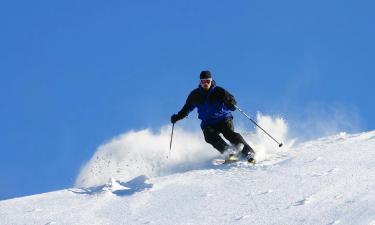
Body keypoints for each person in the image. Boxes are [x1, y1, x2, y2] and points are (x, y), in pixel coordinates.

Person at [171, 70, 255, 162]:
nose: (205, 83)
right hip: (208, 122)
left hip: (224, 118)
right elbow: (186, 109)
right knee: (209, 136)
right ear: (200, 82)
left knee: (228, 133)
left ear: (211, 81)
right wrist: (177, 117)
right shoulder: (195, 95)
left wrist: (231, 104)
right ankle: (228, 151)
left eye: (207, 81)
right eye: (203, 81)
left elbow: (232, 102)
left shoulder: (219, 91)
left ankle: (248, 152)